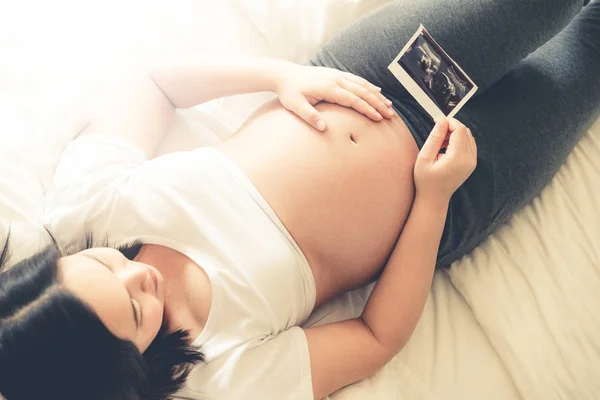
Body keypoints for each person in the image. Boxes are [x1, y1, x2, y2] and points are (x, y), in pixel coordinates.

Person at [1, 0, 599, 399]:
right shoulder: (218, 377)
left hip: (374, 78)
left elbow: (153, 84)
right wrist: (435, 197)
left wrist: (281, 77)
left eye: (104, 265)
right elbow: (374, 339)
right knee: (591, 54)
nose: (137, 275)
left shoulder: (83, 212)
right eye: (135, 312)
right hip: (459, 187)